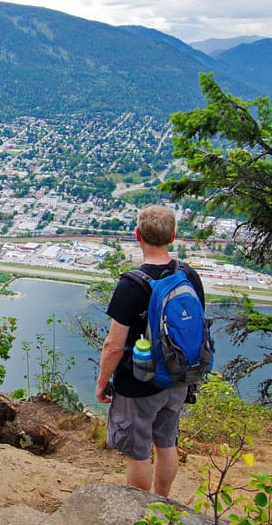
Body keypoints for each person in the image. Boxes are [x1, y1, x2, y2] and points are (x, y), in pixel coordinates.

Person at [94, 205, 205, 498]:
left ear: (137, 235)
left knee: (138, 450)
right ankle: (163, 502)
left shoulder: (131, 284)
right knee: (166, 442)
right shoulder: (189, 275)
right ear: (173, 236)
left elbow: (114, 345)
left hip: (139, 382)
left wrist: (103, 381)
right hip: (179, 376)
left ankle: (140, 511)